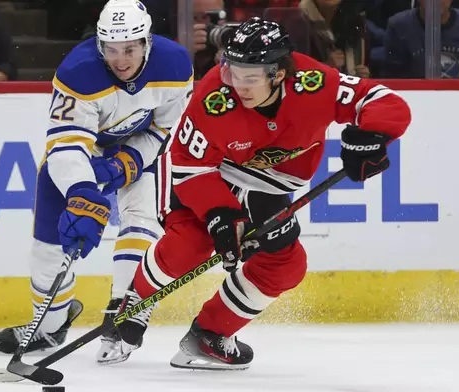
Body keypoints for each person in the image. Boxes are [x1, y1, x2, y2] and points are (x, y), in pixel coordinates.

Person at [102, 17, 412, 369]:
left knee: (285, 264)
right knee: (193, 244)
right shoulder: (214, 95)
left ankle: (210, 335)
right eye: (233, 73)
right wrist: (220, 213)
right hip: (205, 174)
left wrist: (371, 136)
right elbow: (187, 162)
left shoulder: (314, 83)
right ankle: (135, 299)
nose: (238, 86)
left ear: (279, 74)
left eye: (251, 77)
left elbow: (379, 99)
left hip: (268, 185)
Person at [0, 0, 194, 363]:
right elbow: (66, 143)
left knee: (141, 219)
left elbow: (167, 128)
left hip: (141, 149)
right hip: (83, 156)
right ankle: (50, 326)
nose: (121, 60)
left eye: (130, 48)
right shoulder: (78, 71)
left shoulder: (175, 64)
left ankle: (124, 311)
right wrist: (82, 190)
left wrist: (127, 162)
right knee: (48, 247)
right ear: (99, 45)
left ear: (147, 41)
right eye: (111, 50)